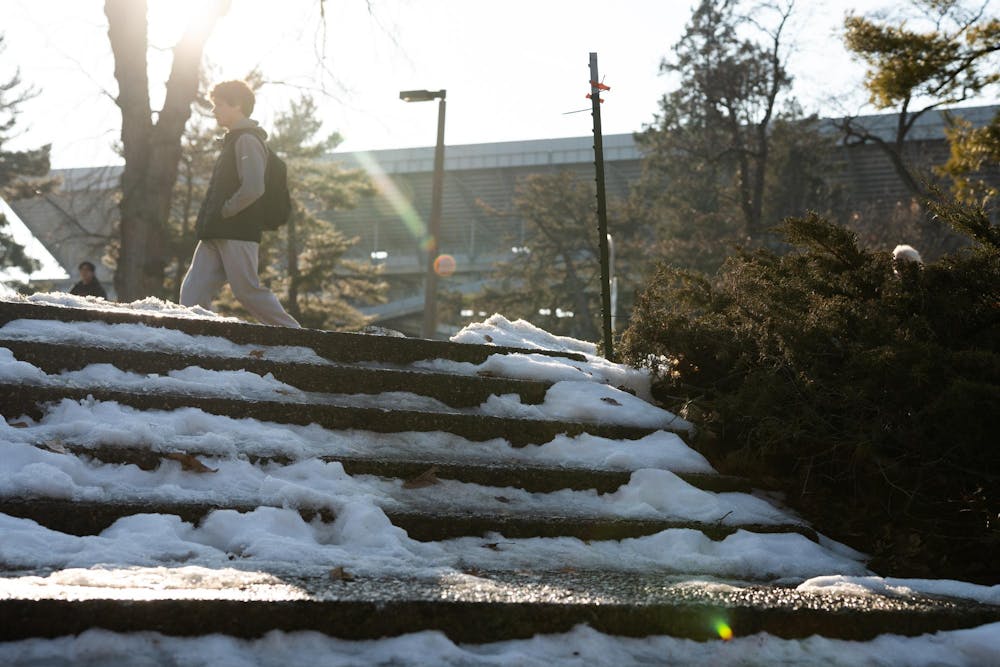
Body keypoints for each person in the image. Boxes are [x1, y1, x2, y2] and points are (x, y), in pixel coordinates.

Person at [179, 80, 300, 328]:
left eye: (219, 105)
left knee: (247, 291)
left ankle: (296, 335)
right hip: (216, 231)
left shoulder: (247, 140)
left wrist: (226, 211)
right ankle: (194, 337)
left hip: (237, 231)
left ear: (238, 106)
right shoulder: (234, 140)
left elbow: (254, 187)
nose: (214, 111)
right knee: (193, 291)